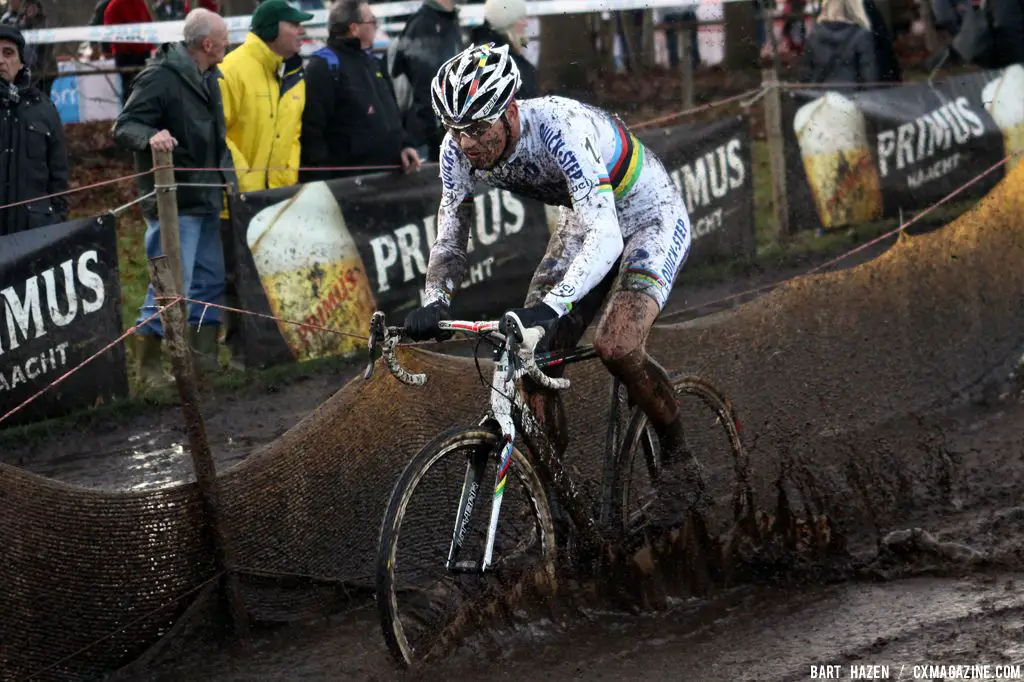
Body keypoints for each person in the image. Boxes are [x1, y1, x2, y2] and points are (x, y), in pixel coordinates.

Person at [403, 43, 707, 519]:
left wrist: (551, 307)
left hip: (648, 217)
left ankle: (680, 462)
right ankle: (560, 506)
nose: (466, 144)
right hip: (584, 222)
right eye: (455, 130)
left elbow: (606, 232)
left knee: (618, 345)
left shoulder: (561, 126)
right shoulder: (456, 151)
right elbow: (450, 233)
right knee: (532, 359)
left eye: (478, 129)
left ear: (509, 111)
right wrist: (435, 299)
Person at [112, 9, 234, 388]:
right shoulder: (160, 77)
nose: (229, 43)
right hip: (174, 201)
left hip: (208, 195)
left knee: (209, 280)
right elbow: (124, 125)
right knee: (168, 283)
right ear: (207, 44)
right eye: (224, 37)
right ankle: (149, 371)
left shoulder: (210, 77)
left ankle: (203, 360)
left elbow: (216, 135)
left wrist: (226, 178)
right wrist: (150, 137)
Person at [300, 0, 421, 182]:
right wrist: (323, 181)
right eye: (371, 21)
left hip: (391, 176)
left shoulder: (372, 62)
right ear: (354, 29)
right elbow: (312, 131)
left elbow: (392, 114)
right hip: (351, 183)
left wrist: (405, 144)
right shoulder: (324, 66)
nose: (376, 26)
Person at [218, 0, 311, 193]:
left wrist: (288, 176)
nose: (301, 30)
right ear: (272, 30)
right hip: (239, 198)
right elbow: (217, 133)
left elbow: (293, 134)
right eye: (294, 25)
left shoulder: (295, 75)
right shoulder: (230, 70)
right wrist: (245, 182)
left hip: (281, 193)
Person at [0, 25, 68, 236]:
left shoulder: (44, 109)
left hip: (34, 234)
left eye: (8, 53)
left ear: (21, 62)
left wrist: (57, 220)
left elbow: (59, 176)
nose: (1, 60)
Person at [389, 0, 466, 162]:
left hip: (447, 137)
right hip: (426, 143)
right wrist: (436, 140)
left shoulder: (449, 21)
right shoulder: (423, 25)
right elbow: (425, 89)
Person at [798, 0, 879, 87]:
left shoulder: (814, 34)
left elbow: (805, 75)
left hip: (820, 97)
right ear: (856, 8)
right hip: (850, 97)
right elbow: (868, 77)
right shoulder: (862, 35)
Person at [470, 0, 539, 99]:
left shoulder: (484, 55)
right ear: (507, 22)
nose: (525, 24)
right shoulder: (504, 64)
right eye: (521, 18)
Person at [103, 0, 156, 104]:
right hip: (127, 55)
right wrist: (125, 50)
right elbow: (111, 31)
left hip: (142, 53)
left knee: (146, 89)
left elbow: (148, 24)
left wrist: (149, 47)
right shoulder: (115, 5)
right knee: (130, 90)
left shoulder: (139, 3)